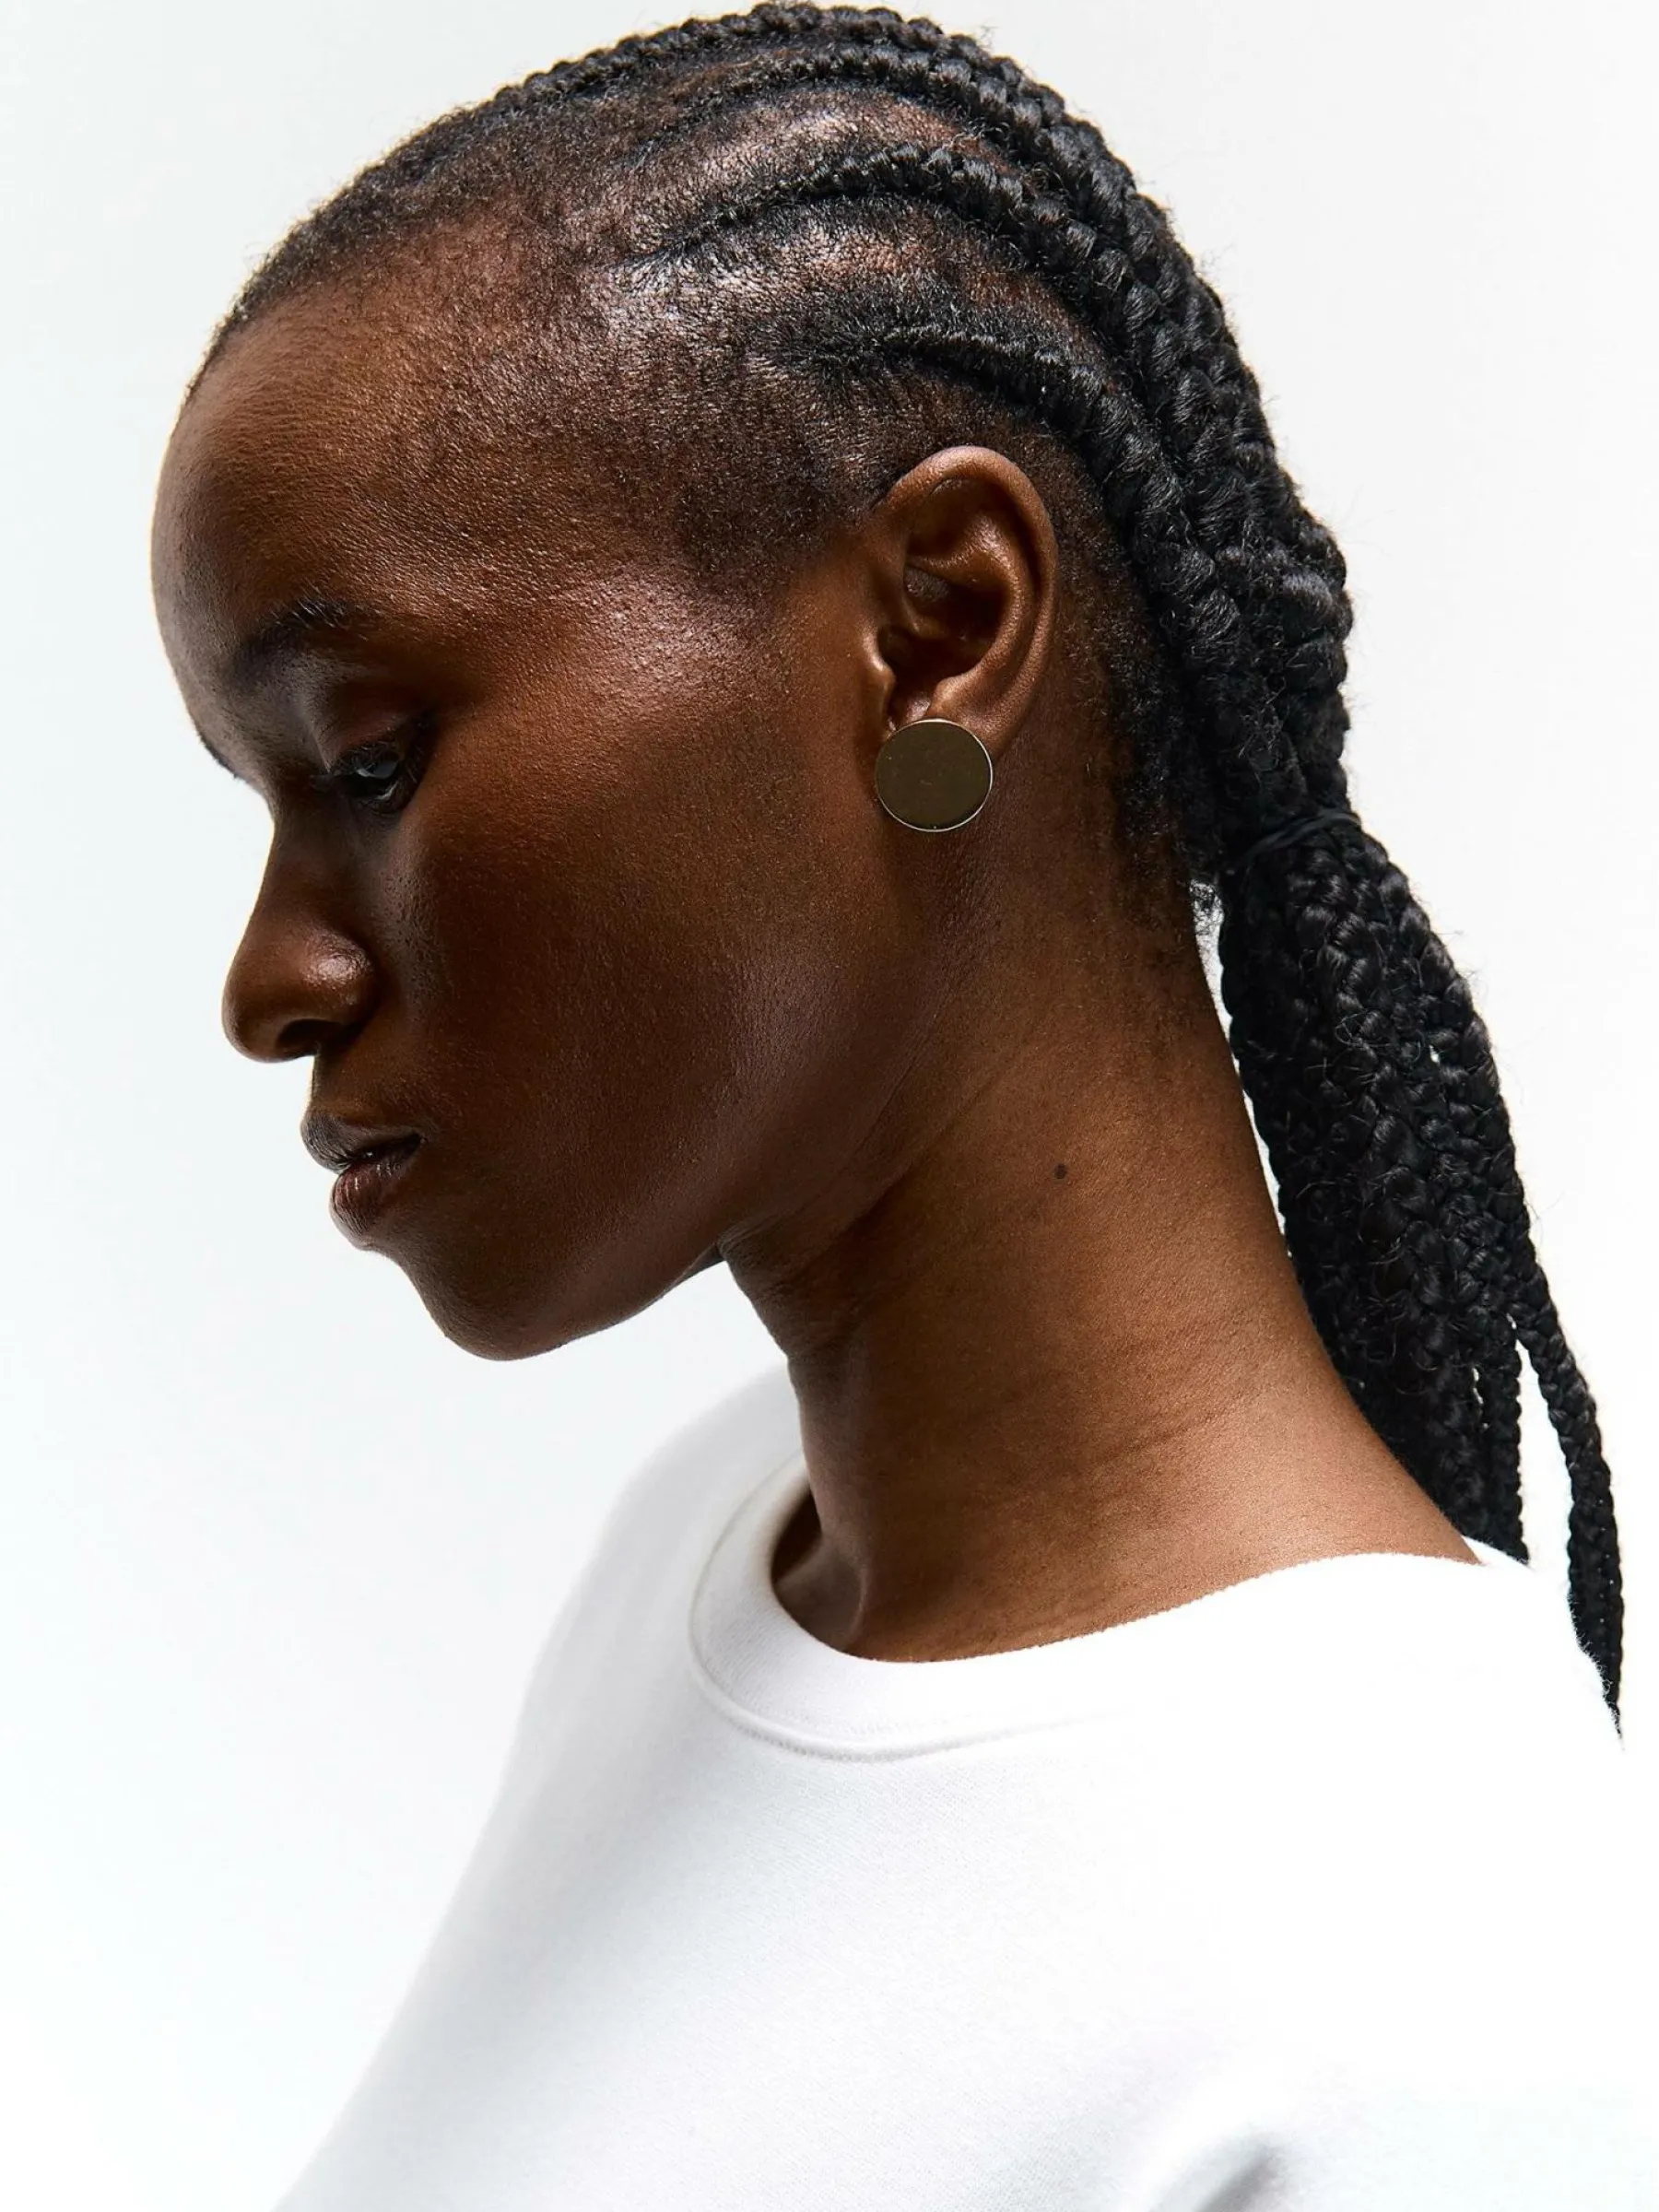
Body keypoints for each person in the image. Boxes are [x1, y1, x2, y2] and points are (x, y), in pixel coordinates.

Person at [148, 7, 1653, 2206]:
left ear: (942, 627)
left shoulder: (1452, 1988)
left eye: (368, 765)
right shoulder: (705, 1561)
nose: (271, 982)